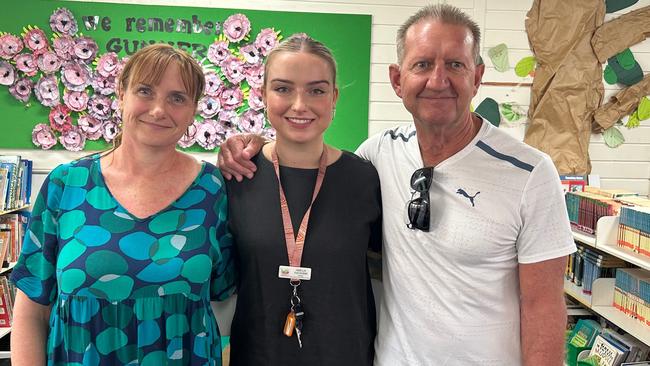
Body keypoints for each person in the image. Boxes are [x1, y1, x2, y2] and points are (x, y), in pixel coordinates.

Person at [218, 4, 576, 366]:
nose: (438, 81)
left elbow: (544, 305)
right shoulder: (378, 155)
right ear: (397, 79)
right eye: (422, 65)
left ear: (478, 75)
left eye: (455, 64)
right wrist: (245, 145)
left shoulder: (530, 173)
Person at [10, 44, 235, 365]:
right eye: (145, 90)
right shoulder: (67, 183)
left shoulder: (213, 189)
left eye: (177, 97)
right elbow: (32, 308)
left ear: (193, 109)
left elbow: (226, 294)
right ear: (121, 93)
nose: (159, 109)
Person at [225, 34, 382, 366]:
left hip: (346, 355)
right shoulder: (236, 177)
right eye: (283, 89)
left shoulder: (365, 179)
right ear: (262, 95)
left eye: (317, 90)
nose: (300, 105)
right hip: (258, 355)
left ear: (334, 97)